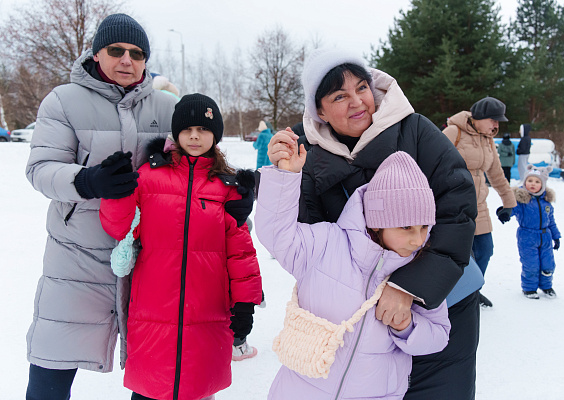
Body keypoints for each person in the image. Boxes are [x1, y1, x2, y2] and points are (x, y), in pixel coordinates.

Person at [23, 14, 253, 400]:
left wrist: (235, 199)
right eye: (117, 50)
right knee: (52, 365)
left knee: (166, 373)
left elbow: (198, 165)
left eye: (137, 53)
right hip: (78, 259)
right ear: (97, 53)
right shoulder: (63, 101)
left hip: (157, 264)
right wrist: (87, 181)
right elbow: (41, 169)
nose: (127, 60)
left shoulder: (166, 106)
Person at [267, 48, 477, 400]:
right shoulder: (309, 156)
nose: (357, 102)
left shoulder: (414, 130)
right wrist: (284, 176)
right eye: (340, 96)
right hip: (367, 317)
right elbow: (302, 238)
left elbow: (457, 207)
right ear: (319, 111)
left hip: (440, 297)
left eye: (362, 88)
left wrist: (410, 286)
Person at [100, 94, 262, 399]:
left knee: (197, 386)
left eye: (203, 129)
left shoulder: (227, 188)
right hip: (153, 310)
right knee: (150, 387)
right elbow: (120, 227)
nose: (195, 136)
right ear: (176, 134)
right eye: (187, 130)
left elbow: (241, 253)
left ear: (216, 135)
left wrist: (245, 303)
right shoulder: (149, 176)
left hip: (207, 312)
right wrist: (115, 191)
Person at [256, 148, 450, 399]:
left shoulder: (418, 270)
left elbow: (439, 335)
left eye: (424, 227)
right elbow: (277, 235)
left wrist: (407, 327)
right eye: (406, 227)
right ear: (377, 222)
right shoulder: (325, 244)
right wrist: (286, 176)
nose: (418, 240)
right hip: (300, 390)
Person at [443, 96, 517, 308]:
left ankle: (473, 291)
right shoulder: (453, 132)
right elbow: (431, 163)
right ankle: (453, 296)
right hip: (454, 205)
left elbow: (497, 174)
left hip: (479, 206)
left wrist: (509, 203)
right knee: (460, 254)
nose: (496, 125)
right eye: (493, 120)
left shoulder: (488, 140)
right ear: (479, 117)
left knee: (485, 250)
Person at [501, 164, 561, 299]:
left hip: (545, 237)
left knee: (548, 265)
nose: (533, 184)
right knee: (531, 264)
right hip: (527, 237)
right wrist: (505, 212)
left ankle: (546, 286)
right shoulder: (521, 201)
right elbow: (512, 209)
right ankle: (529, 288)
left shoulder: (546, 202)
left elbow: (551, 221)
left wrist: (556, 236)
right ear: (525, 182)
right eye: (530, 181)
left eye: (537, 182)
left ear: (543, 185)